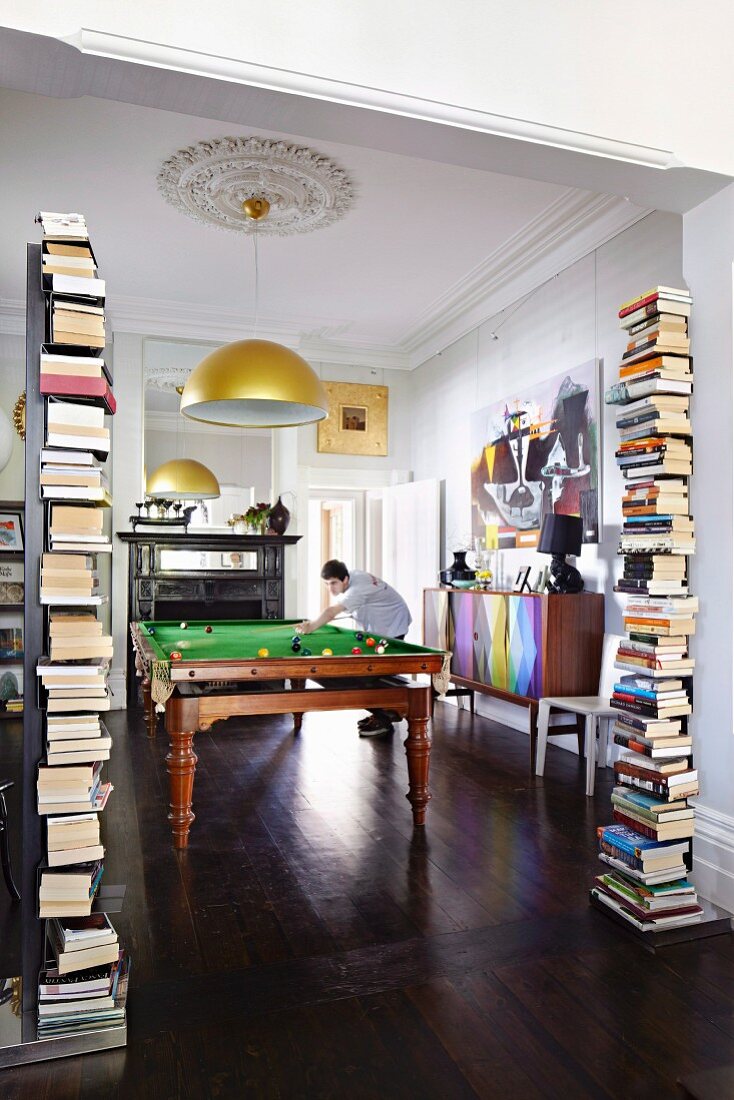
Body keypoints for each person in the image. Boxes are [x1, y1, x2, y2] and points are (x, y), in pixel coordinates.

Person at [297, 560, 412, 736]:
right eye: (327, 584)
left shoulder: (356, 589)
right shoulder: (355, 576)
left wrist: (311, 626)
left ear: (345, 579)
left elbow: (331, 612)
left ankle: (384, 717)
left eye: (334, 583)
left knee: (370, 676)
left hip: (393, 627)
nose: (331, 588)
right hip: (383, 626)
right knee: (372, 675)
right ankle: (383, 713)